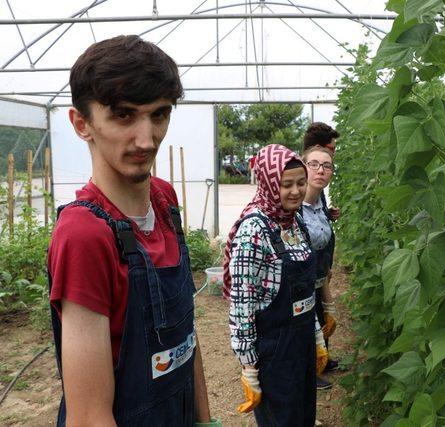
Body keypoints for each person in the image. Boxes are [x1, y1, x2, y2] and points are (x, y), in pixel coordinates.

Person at [47, 35, 213, 426]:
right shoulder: (84, 234)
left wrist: (205, 420)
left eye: (159, 115)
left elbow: (185, 338)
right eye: (124, 115)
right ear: (82, 123)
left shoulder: (164, 200)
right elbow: (88, 417)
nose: (147, 138)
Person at [223, 144, 328, 426]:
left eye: (301, 183)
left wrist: (316, 336)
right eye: (286, 184)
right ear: (269, 184)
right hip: (275, 351)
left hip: (302, 342)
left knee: (304, 416)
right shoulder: (254, 230)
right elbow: (242, 301)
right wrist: (249, 368)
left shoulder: (295, 223)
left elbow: (306, 292)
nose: (295, 191)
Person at [300, 147, 339, 391]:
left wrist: (328, 299)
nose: (320, 170)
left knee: (319, 323)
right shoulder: (294, 208)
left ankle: (319, 364)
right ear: (303, 167)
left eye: (327, 166)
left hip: (317, 279)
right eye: (313, 164)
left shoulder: (320, 205)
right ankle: (308, 374)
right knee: (304, 329)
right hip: (299, 285)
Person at [302, 122, 340, 222]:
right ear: (318, 148)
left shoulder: (316, 183)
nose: (334, 153)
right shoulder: (295, 191)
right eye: (332, 149)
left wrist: (325, 214)